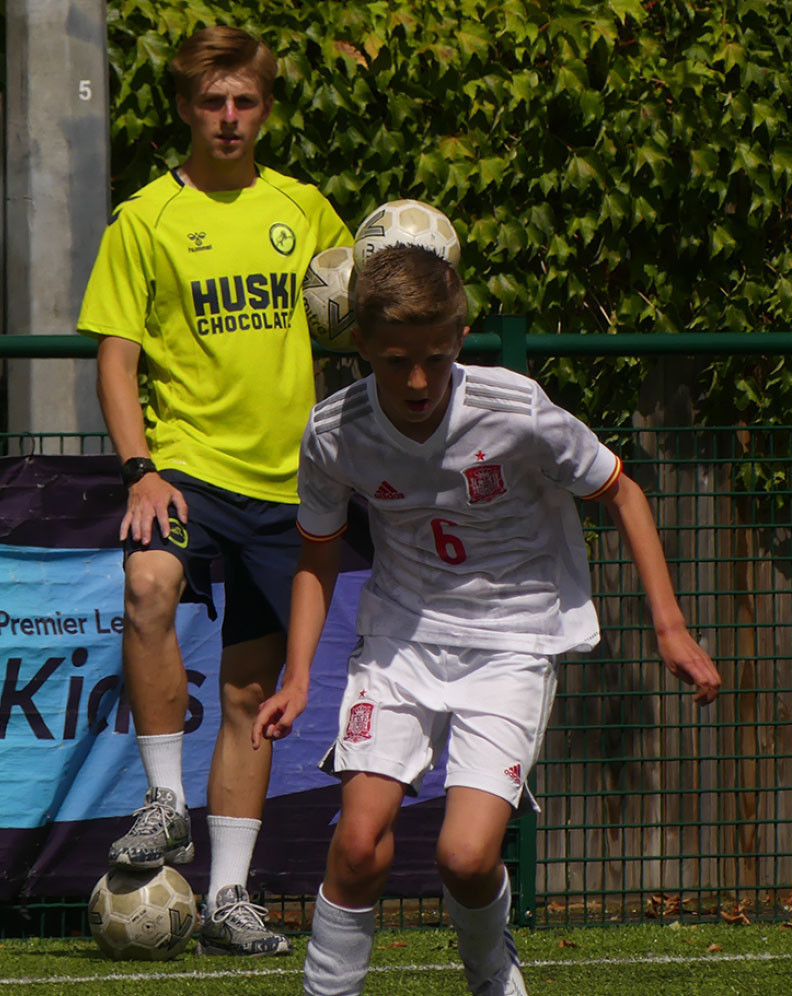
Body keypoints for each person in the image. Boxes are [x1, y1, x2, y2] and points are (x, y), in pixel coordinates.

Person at [252, 245, 722, 995]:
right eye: (395, 359)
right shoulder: (334, 431)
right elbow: (316, 558)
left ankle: (489, 970)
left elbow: (622, 493)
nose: (415, 380)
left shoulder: (515, 408)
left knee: (464, 859)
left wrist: (668, 626)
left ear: (460, 336)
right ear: (361, 345)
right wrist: (299, 676)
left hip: (512, 645)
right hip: (399, 643)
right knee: (357, 846)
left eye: (434, 359)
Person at [77, 25, 352, 956]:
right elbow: (116, 356)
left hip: (292, 483)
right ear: (186, 110)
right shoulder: (144, 217)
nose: (228, 118)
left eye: (244, 102)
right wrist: (138, 467)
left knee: (249, 695)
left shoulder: (305, 209)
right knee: (147, 586)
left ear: (264, 110)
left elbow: (359, 307)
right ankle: (164, 800)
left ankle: (230, 899)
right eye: (211, 102)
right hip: (186, 466)